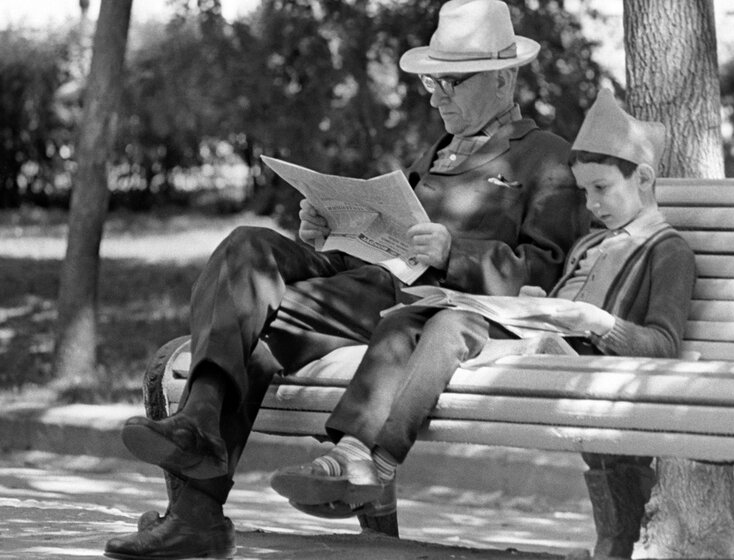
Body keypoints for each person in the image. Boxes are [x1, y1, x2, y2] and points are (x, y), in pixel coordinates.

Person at [103, 0, 589, 558]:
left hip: (423, 305)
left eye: (453, 81)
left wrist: (457, 251)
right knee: (247, 247)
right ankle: (199, 425)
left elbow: (543, 276)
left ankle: (197, 509)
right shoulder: (434, 157)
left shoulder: (549, 159)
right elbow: (384, 240)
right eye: (432, 81)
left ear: (504, 80)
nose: (437, 94)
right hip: (367, 287)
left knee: (252, 329)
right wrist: (330, 231)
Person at [274, 88, 697, 560]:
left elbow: (661, 344)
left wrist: (596, 321)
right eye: (585, 192)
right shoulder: (592, 244)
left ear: (643, 178)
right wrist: (541, 302)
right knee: (411, 318)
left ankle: (380, 461)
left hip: (579, 356)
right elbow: (556, 298)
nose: (592, 206)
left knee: (451, 325)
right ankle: (355, 453)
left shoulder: (667, 250)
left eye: (601, 189)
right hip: (537, 338)